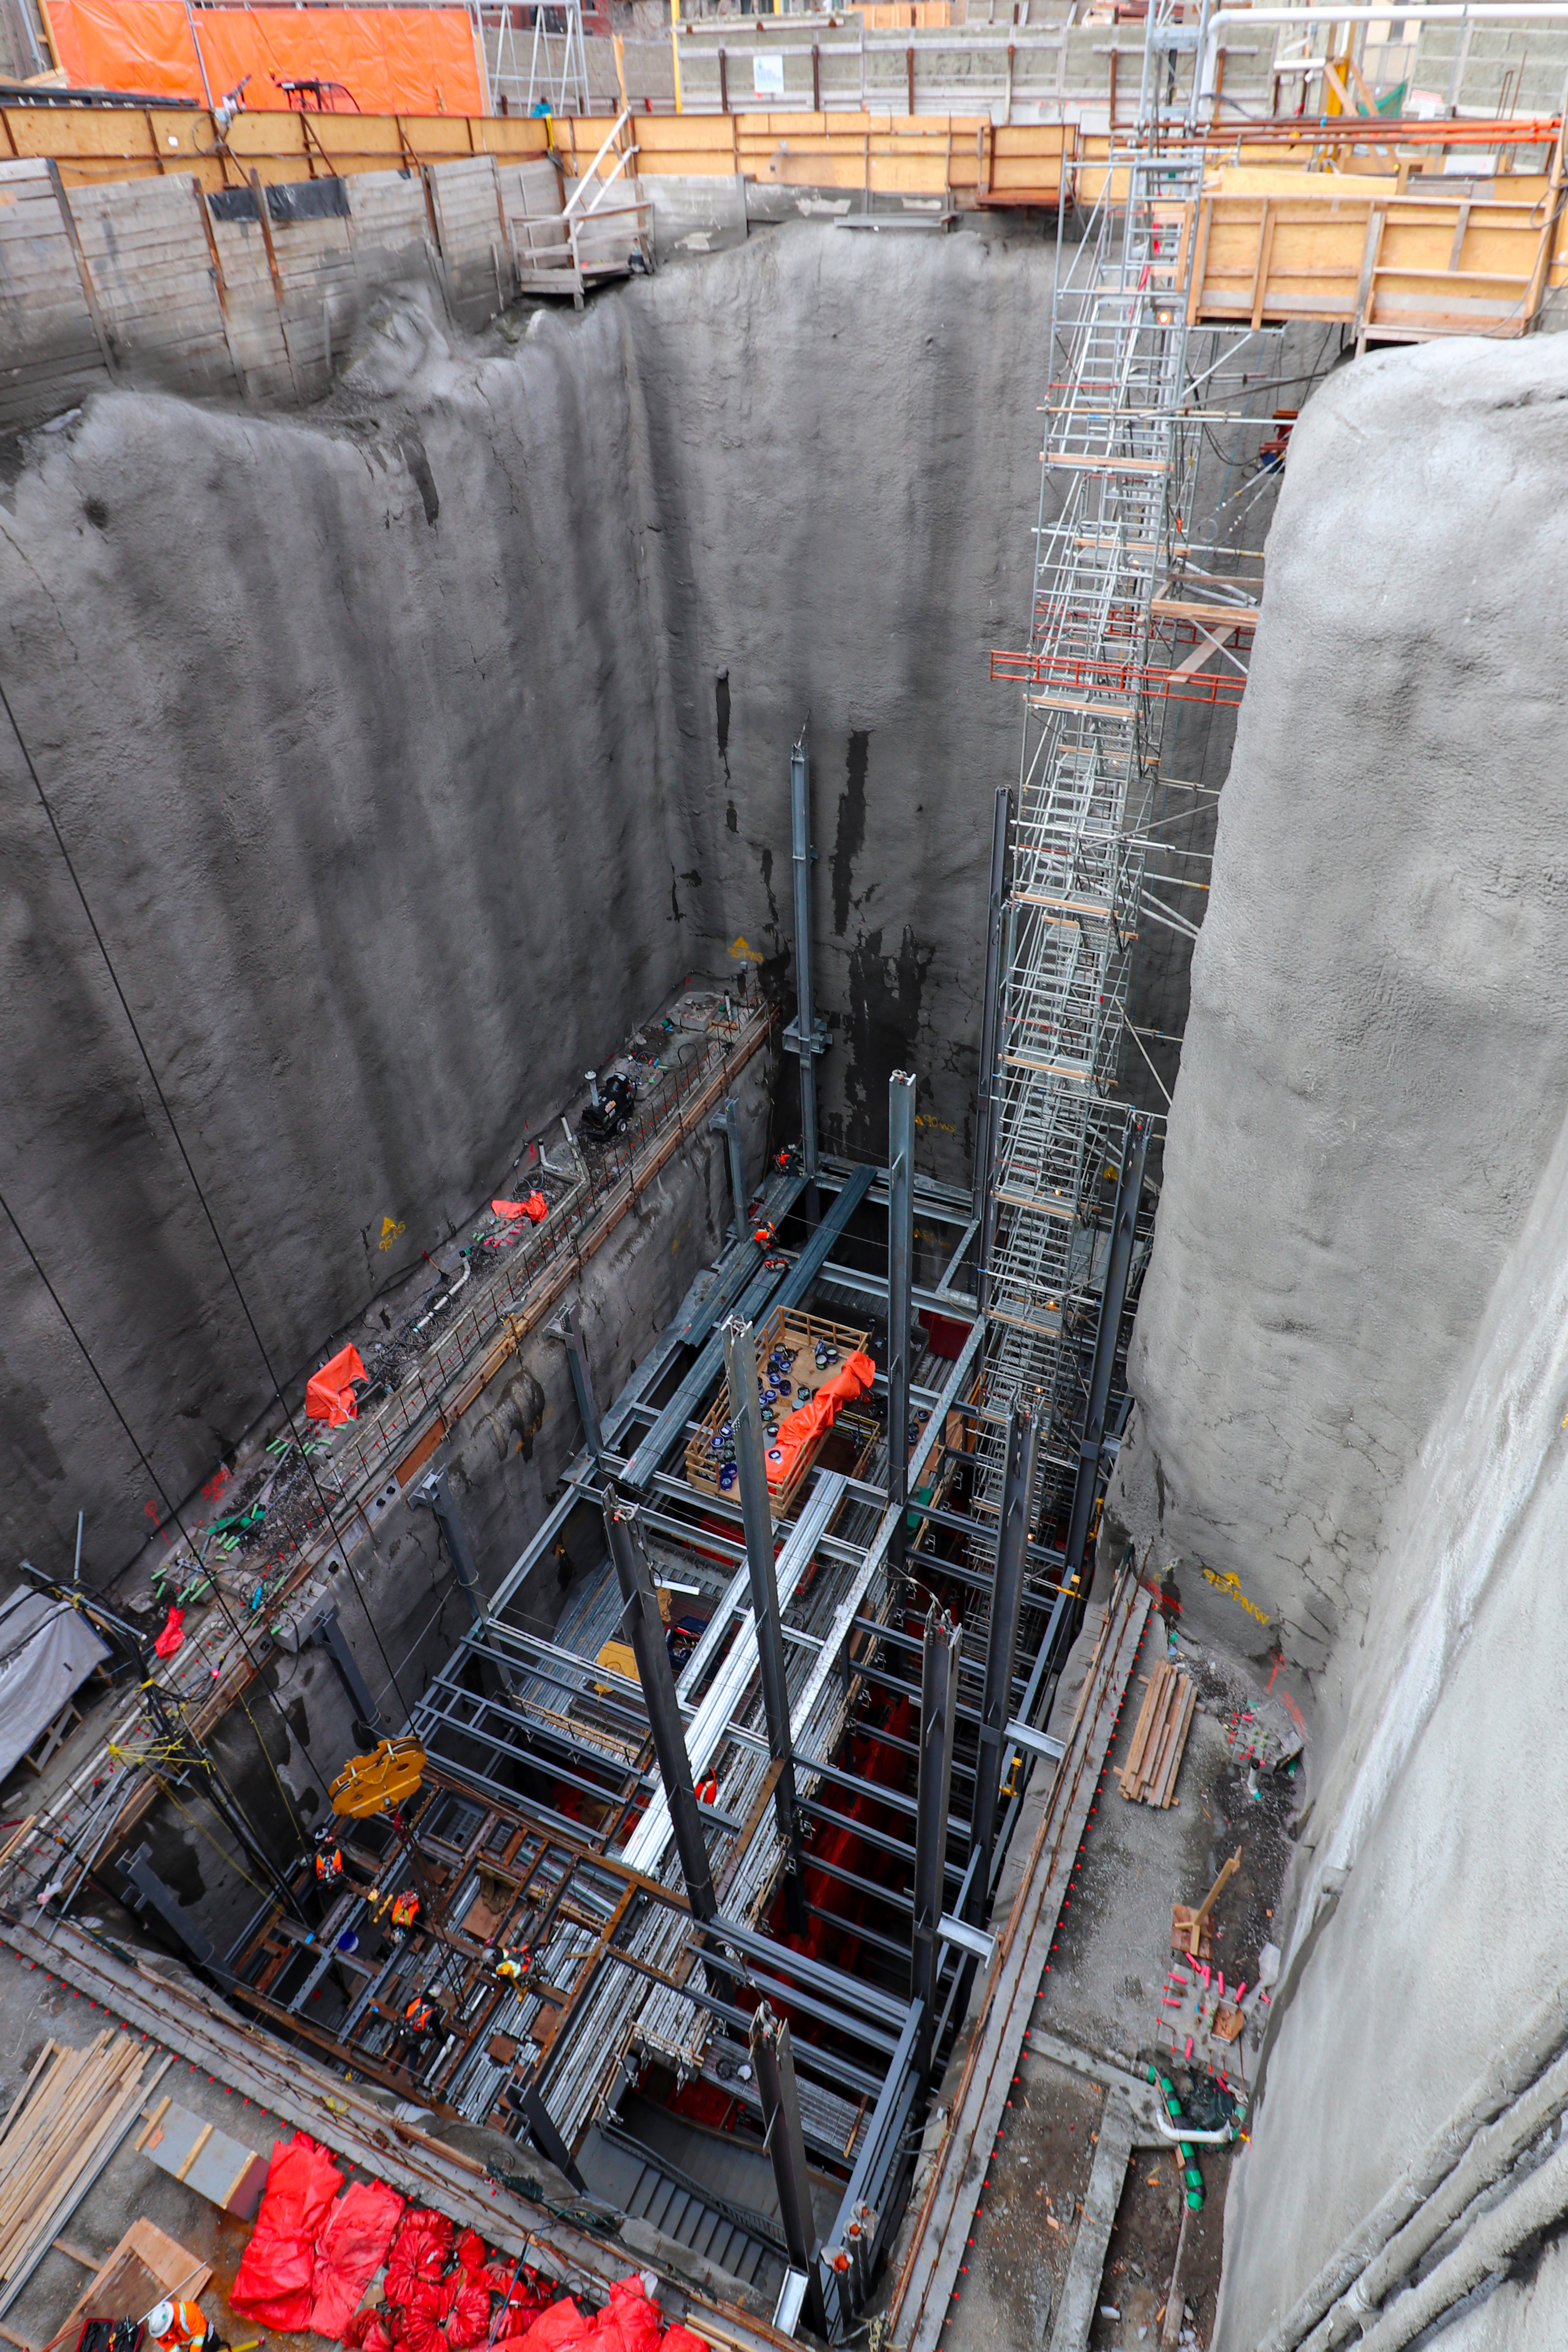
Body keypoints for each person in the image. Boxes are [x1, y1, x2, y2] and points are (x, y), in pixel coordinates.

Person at [145, 2302, 223, 2352]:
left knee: (211, 2345)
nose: (164, 2336)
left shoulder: (190, 2313)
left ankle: (215, 2343)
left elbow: (199, 2336)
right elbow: (171, 2348)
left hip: (203, 2334)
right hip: (188, 2342)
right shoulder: (158, 2333)